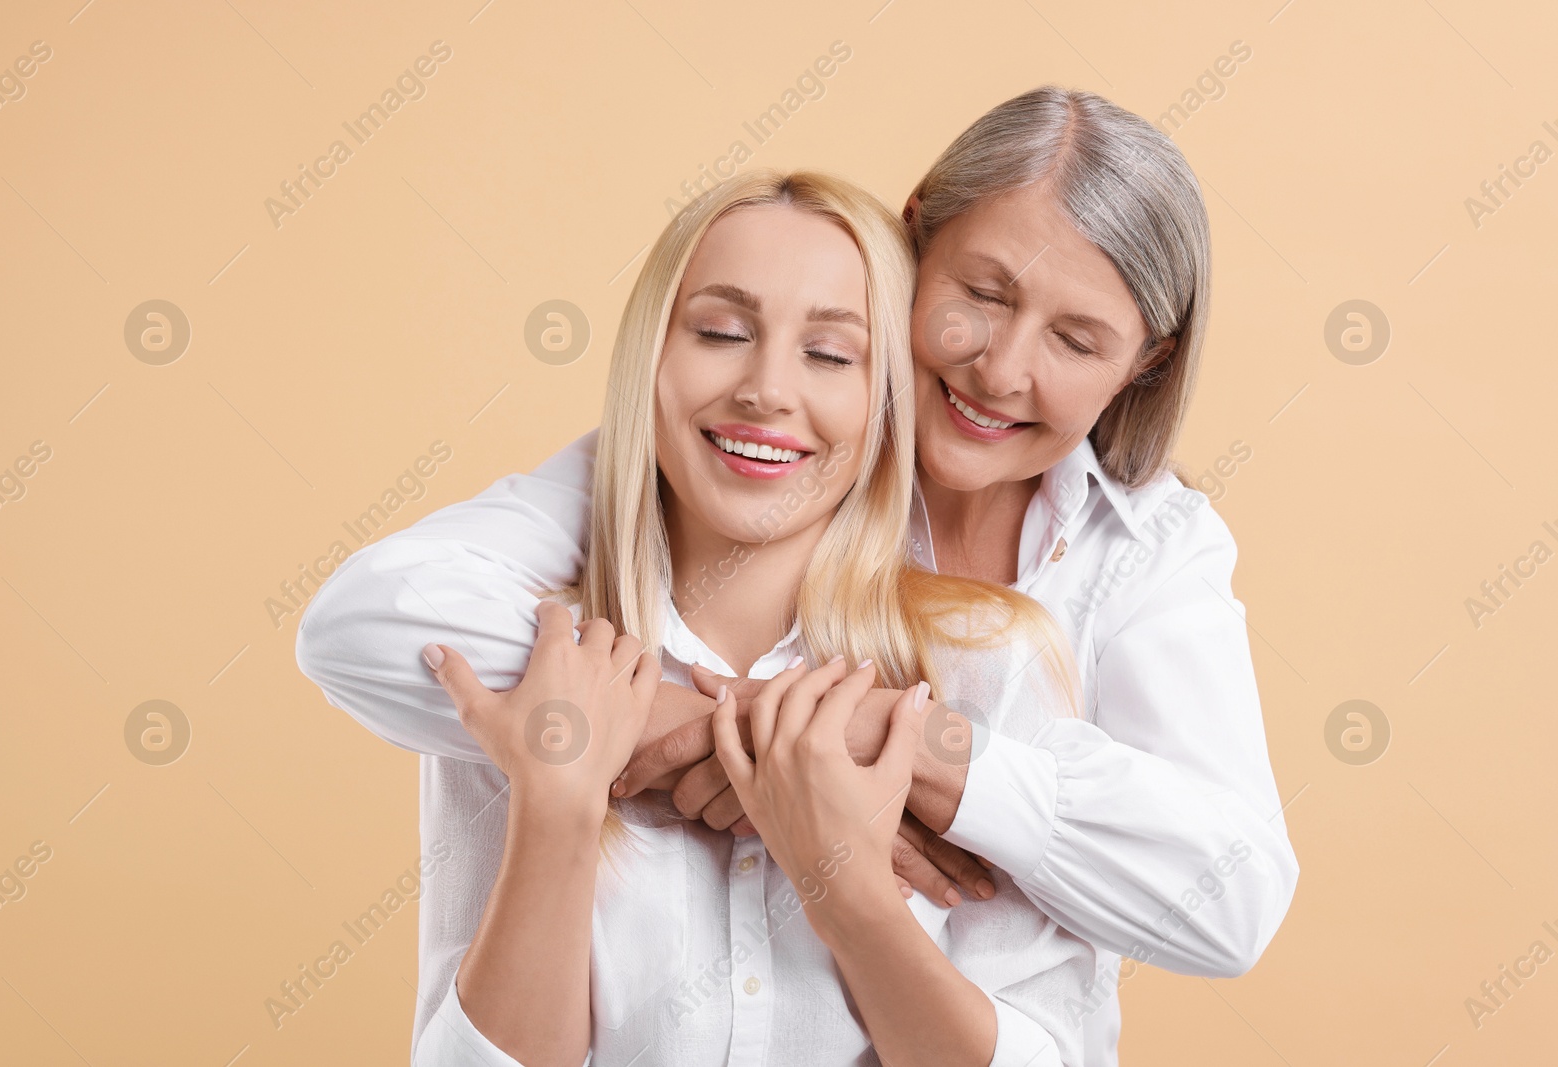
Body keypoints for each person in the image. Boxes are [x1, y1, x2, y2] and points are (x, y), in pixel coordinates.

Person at [296, 86, 1298, 1064]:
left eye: (1076, 340)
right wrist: (710, 735)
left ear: (1143, 363)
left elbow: (1229, 898)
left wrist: (899, 758)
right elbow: (367, 616)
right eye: (980, 298)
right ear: (915, 247)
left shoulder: (1068, 610)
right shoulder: (674, 503)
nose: (998, 370)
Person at [375, 169, 1095, 1064]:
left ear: (886, 400)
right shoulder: (543, 668)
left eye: (831, 354)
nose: (765, 389)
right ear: (652, 357)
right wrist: (558, 811)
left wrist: (847, 890)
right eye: (720, 332)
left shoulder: (996, 661)